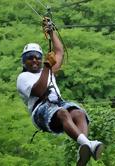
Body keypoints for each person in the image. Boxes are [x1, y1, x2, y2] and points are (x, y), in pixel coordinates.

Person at [16, 17, 103, 166]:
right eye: (30, 58)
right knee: (63, 112)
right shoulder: (23, 77)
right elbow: (38, 90)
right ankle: (88, 144)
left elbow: (59, 52)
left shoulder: (46, 70)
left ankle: (86, 146)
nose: (35, 60)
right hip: (40, 111)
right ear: (24, 61)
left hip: (57, 104)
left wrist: (51, 32)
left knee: (79, 113)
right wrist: (48, 67)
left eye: (38, 57)